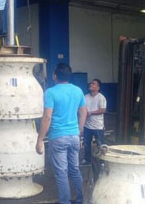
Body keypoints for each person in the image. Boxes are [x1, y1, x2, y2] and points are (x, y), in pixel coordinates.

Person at [36, 63, 87, 204]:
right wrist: (79, 131)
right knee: (75, 169)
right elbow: (83, 112)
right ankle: (81, 199)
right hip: (74, 136)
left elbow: (47, 117)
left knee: (61, 173)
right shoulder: (78, 91)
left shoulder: (50, 92)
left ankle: (65, 202)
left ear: (55, 76)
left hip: (58, 137)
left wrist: (40, 139)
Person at [82, 79, 107, 165]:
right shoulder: (85, 97)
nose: (91, 84)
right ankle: (87, 159)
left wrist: (91, 112)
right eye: (91, 83)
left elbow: (103, 110)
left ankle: (102, 160)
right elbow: (82, 109)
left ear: (98, 87)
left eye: (93, 84)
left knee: (100, 144)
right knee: (86, 144)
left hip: (98, 126)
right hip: (87, 126)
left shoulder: (101, 97)